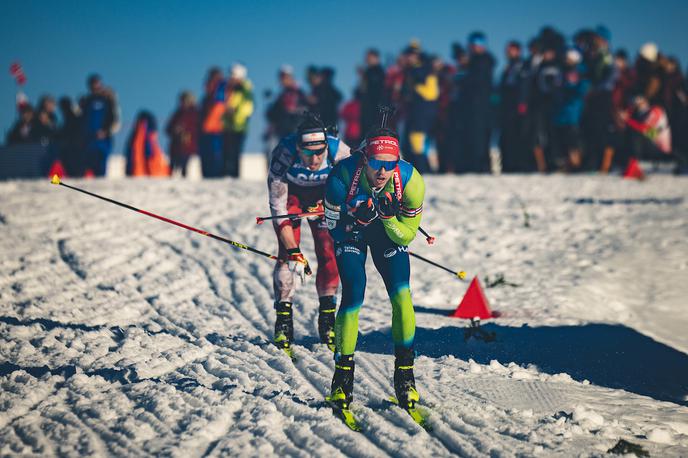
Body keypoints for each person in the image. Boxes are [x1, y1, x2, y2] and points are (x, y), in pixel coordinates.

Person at [323, 123, 425, 412]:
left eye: (390, 164)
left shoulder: (411, 181)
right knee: (354, 292)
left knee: (402, 296)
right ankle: (343, 376)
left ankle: (405, 375)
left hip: (387, 234)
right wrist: (357, 218)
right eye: (377, 163)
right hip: (352, 232)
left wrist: (389, 219)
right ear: (365, 158)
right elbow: (333, 229)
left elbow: (408, 235)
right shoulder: (341, 176)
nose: (382, 172)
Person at [267, 113, 351, 357]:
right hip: (292, 197)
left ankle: (327, 318)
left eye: (319, 152)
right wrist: (293, 249)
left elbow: (352, 191)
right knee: (288, 255)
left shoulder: (340, 152)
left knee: (329, 253)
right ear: (297, 148)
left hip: (326, 197)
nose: (314, 159)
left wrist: (335, 209)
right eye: (307, 153)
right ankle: (283, 318)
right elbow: (278, 207)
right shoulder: (283, 155)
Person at [81, 74, 116, 176]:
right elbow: (83, 119)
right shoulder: (86, 101)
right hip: (89, 139)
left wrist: (105, 131)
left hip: (103, 139)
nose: (95, 86)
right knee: (89, 166)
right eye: (93, 83)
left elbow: (112, 118)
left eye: (97, 83)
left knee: (101, 166)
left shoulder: (107, 100)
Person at [223, 63, 254, 177]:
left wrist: (235, 114)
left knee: (234, 152)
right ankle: (228, 173)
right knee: (227, 152)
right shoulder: (230, 89)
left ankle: (234, 175)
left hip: (239, 126)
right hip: (228, 125)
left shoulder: (244, 90)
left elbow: (247, 107)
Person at [166, 91, 199, 177]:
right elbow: (167, 129)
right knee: (172, 169)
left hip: (187, 147)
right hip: (175, 148)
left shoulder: (195, 113)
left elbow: (197, 129)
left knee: (185, 169)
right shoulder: (177, 113)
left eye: (185, 100)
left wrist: (187, 132)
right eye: (182, 100)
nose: (183, 103)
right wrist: (175, 130)